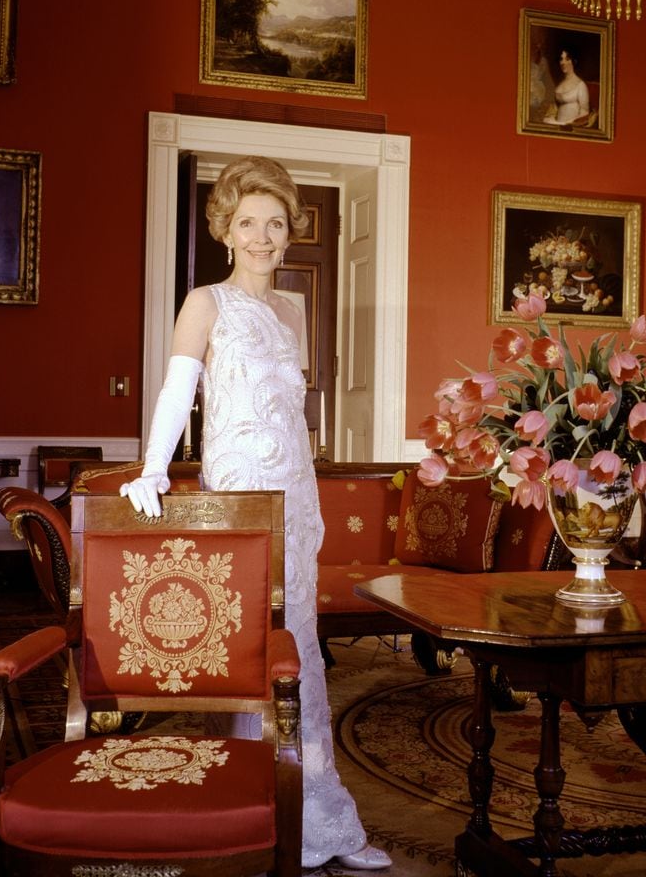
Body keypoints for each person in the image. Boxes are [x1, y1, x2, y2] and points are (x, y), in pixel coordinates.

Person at [121, 156, 392, 872]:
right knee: (246, 648)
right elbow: (179, 392)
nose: (264, 236)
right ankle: (246, 810)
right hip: (235, 493)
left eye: (276, 223)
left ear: (290, 230)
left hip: (295, 493)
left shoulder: (294, 309)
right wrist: (153, 466)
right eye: (249, 222)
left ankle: (316, 817)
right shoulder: (204, 302)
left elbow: (288, 410)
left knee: (295, 644)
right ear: (225, 231)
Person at [544, 46, 590, 125]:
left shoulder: (580, 85)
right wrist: (550, 119)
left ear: (574, 61)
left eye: (567, 59)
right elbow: (553, 110)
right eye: (561, 59)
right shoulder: (559, 85)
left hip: (571, 128)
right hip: (557, 125)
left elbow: (585, 114)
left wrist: (566, 123)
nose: (563, 62)